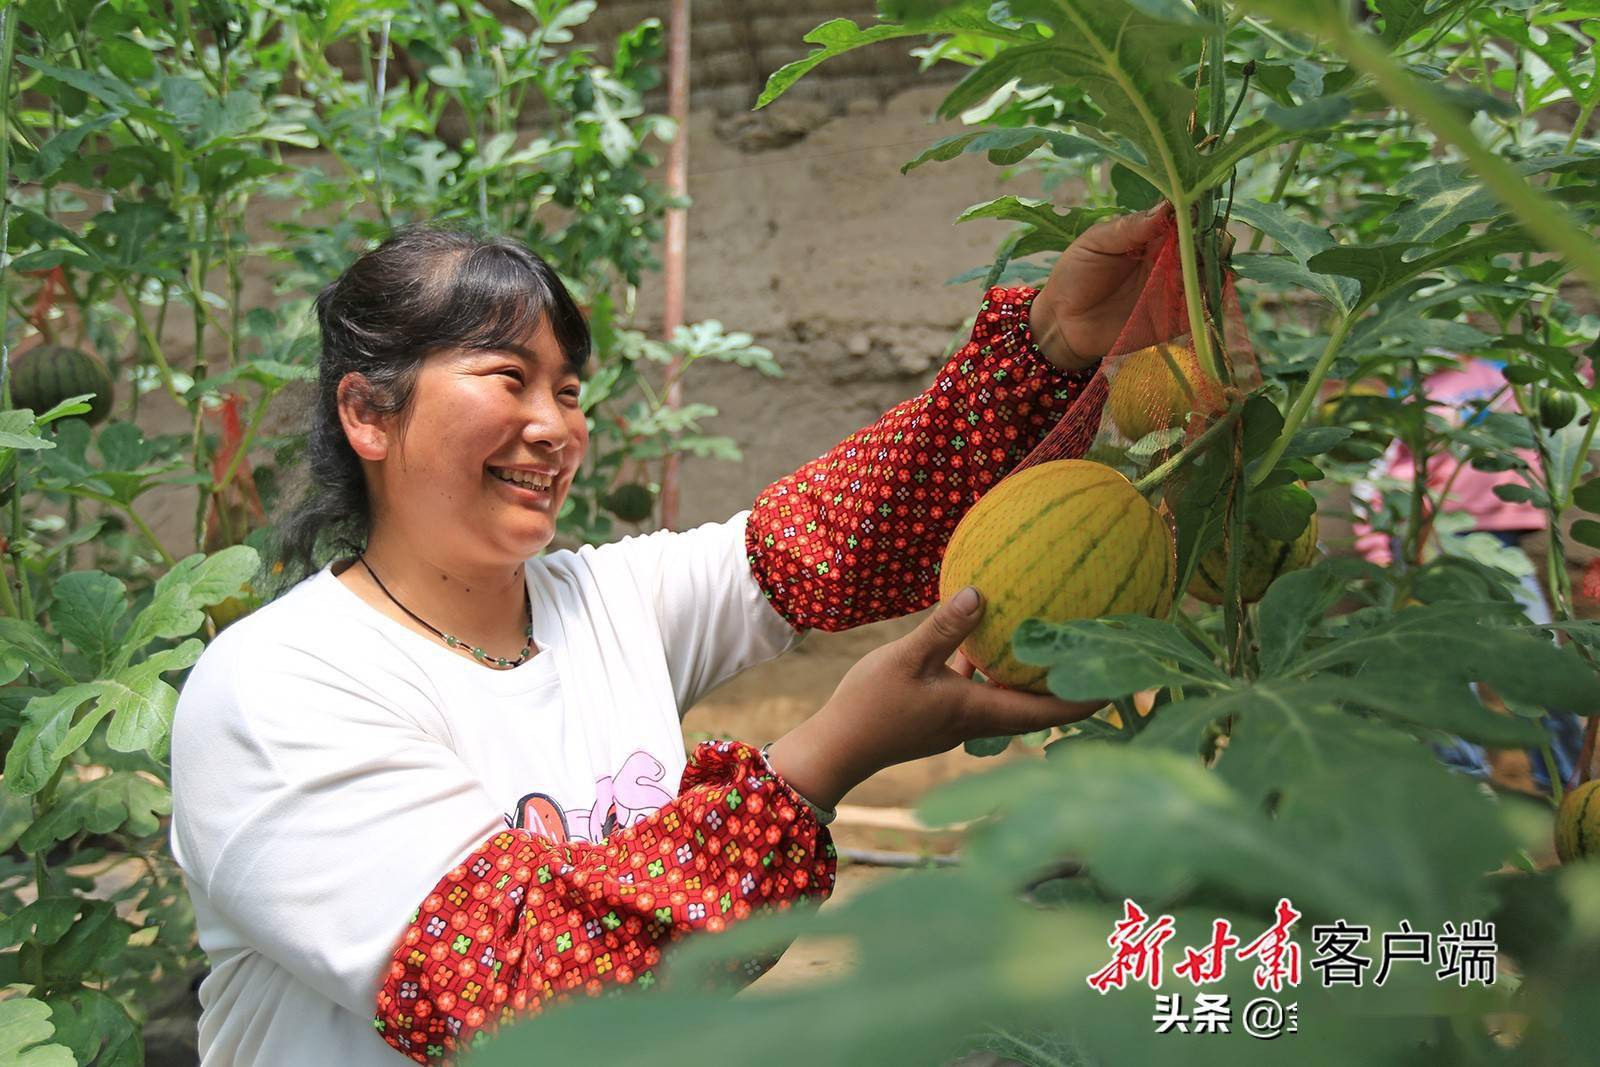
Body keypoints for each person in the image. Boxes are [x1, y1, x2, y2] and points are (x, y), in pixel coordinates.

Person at [168, 202, 1177, 1066]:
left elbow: (846, 533)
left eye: (567, 388)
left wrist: (1045, 347)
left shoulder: (604, 602)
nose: (555, 423)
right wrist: (825, 757)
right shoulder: (278, 684)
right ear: (368, 412)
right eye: (506, 377)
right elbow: (514, 989)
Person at [1349, 355, 1584, 793]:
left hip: (1500, 537)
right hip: (1437, 537)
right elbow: (1377, 481)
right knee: (1445, 660)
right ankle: (1461, 779)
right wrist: (1377, 550)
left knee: (1537, 648)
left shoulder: (1508, 373)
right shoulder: (1414, 389)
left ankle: (1569, 776)